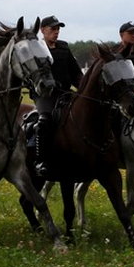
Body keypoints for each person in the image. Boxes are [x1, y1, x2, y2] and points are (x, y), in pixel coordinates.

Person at [33, 15, 82, 177]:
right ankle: (41, 161)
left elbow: (76, 74)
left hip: (65, 94)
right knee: (44, 121)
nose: (56, 32)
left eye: (58, 29)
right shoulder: (35, 49)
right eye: (52, 29)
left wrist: (83, 90)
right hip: (44, 96)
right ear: (42, 30)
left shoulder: (63, 48)